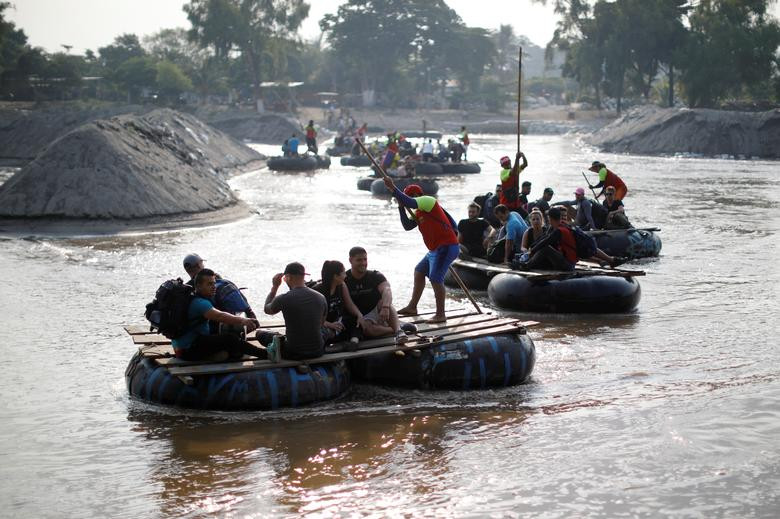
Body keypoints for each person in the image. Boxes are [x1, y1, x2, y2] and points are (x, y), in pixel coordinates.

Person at [385, 179, 459, 323]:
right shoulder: (418, 213)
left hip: (446, 246)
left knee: (436, 279)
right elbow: (407, 226)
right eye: (410, 196)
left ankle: (440, 314)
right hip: (434, 250)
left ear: (419, 194)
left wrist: (393, 188)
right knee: (419, 271)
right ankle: (412, 306)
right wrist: (401, 207)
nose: (413, 198)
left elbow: (410, 202)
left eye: (414, 195)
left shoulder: (428, 201)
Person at [172, 268, 266, 361]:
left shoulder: (191, 297)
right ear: (198, 286)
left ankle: (227, 353)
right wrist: (243, 320)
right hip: (188, 350)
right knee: (230, 339)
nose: (214, 287)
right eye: (209, 284)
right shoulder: (200, 303)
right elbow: (220, 316)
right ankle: (266, 354)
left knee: (226, 341)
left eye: (214, 283)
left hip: (182, 347)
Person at [261, 262, 327, 360]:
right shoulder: (321, 297)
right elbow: (321, 324)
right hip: (318, 351)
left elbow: (267, 309)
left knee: (260, 334)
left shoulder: (283, 298)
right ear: (303, 276)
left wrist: (274, 287)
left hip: (294, 353)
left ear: (288, 277)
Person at [344, 246, 407, 344]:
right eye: (359, 260)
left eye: (365, 259)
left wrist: (385, 307)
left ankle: (399, 331)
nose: (363, 263)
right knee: (367, 330)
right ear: (350, 260)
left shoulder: (375, 275)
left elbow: (387, 290)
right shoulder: (344, 278)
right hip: (357, 315)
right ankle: (395, 327)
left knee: (385, 302)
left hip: (376, 310)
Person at [182, 253, 257, 320]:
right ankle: (249, 312)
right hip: (218, 317)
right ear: (199, 265)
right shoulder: (214, 277)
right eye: (202, 263)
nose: (213, 286)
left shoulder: (186, 288)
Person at [314, 260, 365, 345]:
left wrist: (359, 315)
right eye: (343, 273)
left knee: (356, 321)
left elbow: (349, 304)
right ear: (336, 276)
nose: (346, 275)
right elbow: (314, 317)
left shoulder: (342, 285)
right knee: (324, 332)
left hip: (338, 322)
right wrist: (330, 325)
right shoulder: (318, 291)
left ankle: (353, 342)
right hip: (325, 325)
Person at [517, 207, 578, 271]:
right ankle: (525, 262)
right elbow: (543, 237)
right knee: (542, 248)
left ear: (550, 218)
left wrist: (532, 251)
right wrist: (531, 248)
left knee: (546, 248)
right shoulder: (552, 228)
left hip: (568, 264)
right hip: (561, 259)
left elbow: (546, 241)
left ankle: (526, 266)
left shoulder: (560, 230)